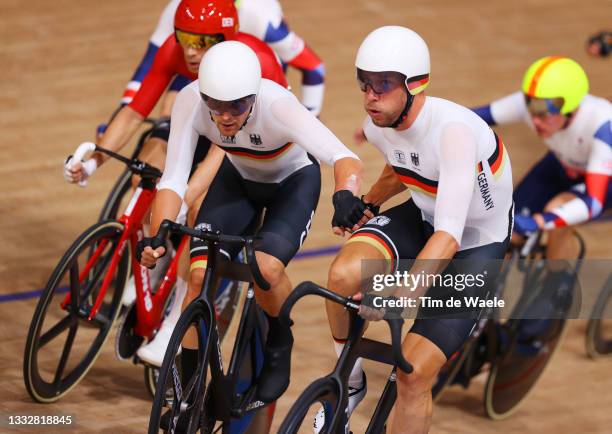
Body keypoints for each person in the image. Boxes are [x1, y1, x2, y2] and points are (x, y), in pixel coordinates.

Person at [138, 41, 367, 416]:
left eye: (238, 107)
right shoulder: (189, 100)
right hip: (238, 179)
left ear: (254, 97)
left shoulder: (278, 106)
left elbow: (345, 157)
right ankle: (188, 392)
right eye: (217, 107)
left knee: (266, 270)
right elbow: (174, 178)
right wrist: (158, 233)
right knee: (197, 278)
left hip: (291, 183)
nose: (225, 118)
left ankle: (279, 342)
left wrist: (345, 195)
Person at [64, 0, 289, 367]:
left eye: (201, 43)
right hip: (205, 116)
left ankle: (176, 317)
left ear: (224, 40)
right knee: (147, 166)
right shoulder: (176, 51)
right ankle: (160, 259)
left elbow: (222, 153)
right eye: (185, 38)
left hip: (249, 137)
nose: (190, 51)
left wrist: (183, 201)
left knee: (201, 210)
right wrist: (95, 160)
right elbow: (136, 109)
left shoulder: (251, 63)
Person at [314, 26, 514, 434]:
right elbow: (401, 165)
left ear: (415, 85)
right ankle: (349, 385)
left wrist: (402, 291)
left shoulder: (454, 133)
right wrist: (368, 203)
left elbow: (449, 235)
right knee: (341, 276)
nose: (371, 95)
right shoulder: (377, 125)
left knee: (413, 374)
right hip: (424, 216)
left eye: (383, 84)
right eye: (364, 83)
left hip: (474, 241)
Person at [472, 56, 612, 297]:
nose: (534, 120)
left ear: (571, 109)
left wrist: (539, 222)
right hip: (563, 164)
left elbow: (593, 202)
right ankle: (481, 304)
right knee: (507, 227)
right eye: (530, 107)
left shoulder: (602, 124)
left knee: (557, 213)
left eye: (544, 114)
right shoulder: (536, 105)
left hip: (602, 182)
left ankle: (555, 290)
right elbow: (472, 117)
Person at [117, 0, 325, 117]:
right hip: (203, 61)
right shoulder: (183, 10)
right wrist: (122, 109)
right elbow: (150, 63)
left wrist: (308, 124)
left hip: (254, 68)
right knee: (171, 108)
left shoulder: (261, 19)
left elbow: (314, 69)